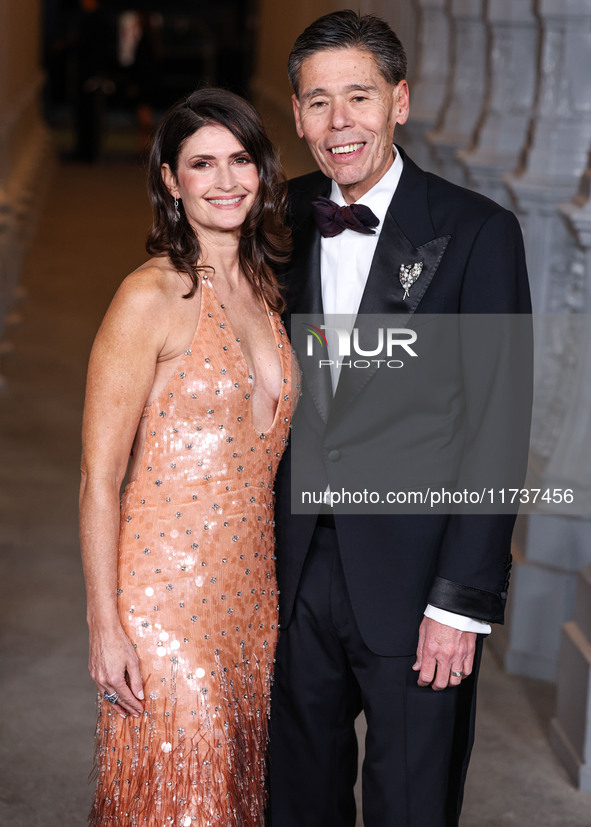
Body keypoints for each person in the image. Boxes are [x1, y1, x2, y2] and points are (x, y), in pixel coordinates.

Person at [268, 10, 531, 827]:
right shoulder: (277, 219)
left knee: (410, 804)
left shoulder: (478, 232)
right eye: (317, 102)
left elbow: (497, 428)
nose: (338, 122)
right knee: (295, 799)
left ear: (399, 101)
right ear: (297, 114)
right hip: (294, 571)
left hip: (419, 583)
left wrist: (460, 602)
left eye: (358, 96)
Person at [79, 87, 294, 826]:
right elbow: (97, 479)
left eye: (240, 159)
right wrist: (106, 627)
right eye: (202, 164)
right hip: (163, 607)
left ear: (261, 170)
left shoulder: (267, 291)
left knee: (234, 794)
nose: (226, 180)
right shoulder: (151, 296)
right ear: (171, 180)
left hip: (250, 601)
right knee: (180, 798)